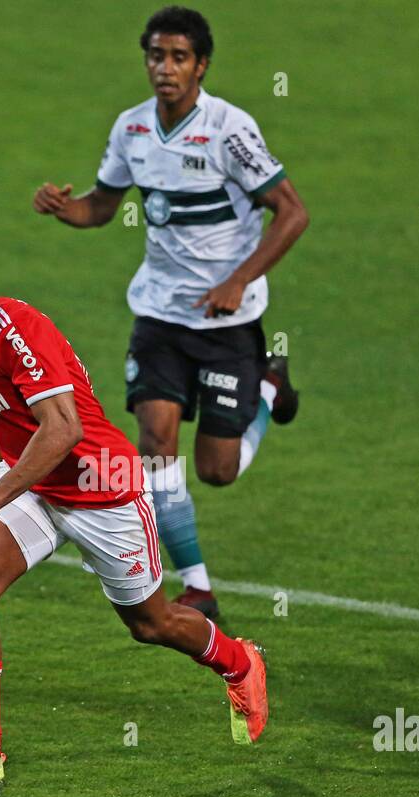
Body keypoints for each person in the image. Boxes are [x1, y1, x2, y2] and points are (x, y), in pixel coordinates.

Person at [0, 241, 269, 796]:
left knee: (151, 625)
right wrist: (5, 496)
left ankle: (238, 662)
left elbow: (64, 430)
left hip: (102, 490)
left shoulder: (18, 331)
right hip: (35, 486)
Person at [33, 5, 309, 620]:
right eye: (156, 55)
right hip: (158, 315)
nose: (165, 68)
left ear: (201, 65)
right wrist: (64, 207)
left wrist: (238, 281)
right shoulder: (132, 130)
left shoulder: (230, 131)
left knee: (216, 470)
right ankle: (198, 586)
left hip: (225, 325)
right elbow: (101, 207)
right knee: (155, 443)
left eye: (179, 57)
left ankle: (267, 386)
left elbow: (292, 212)